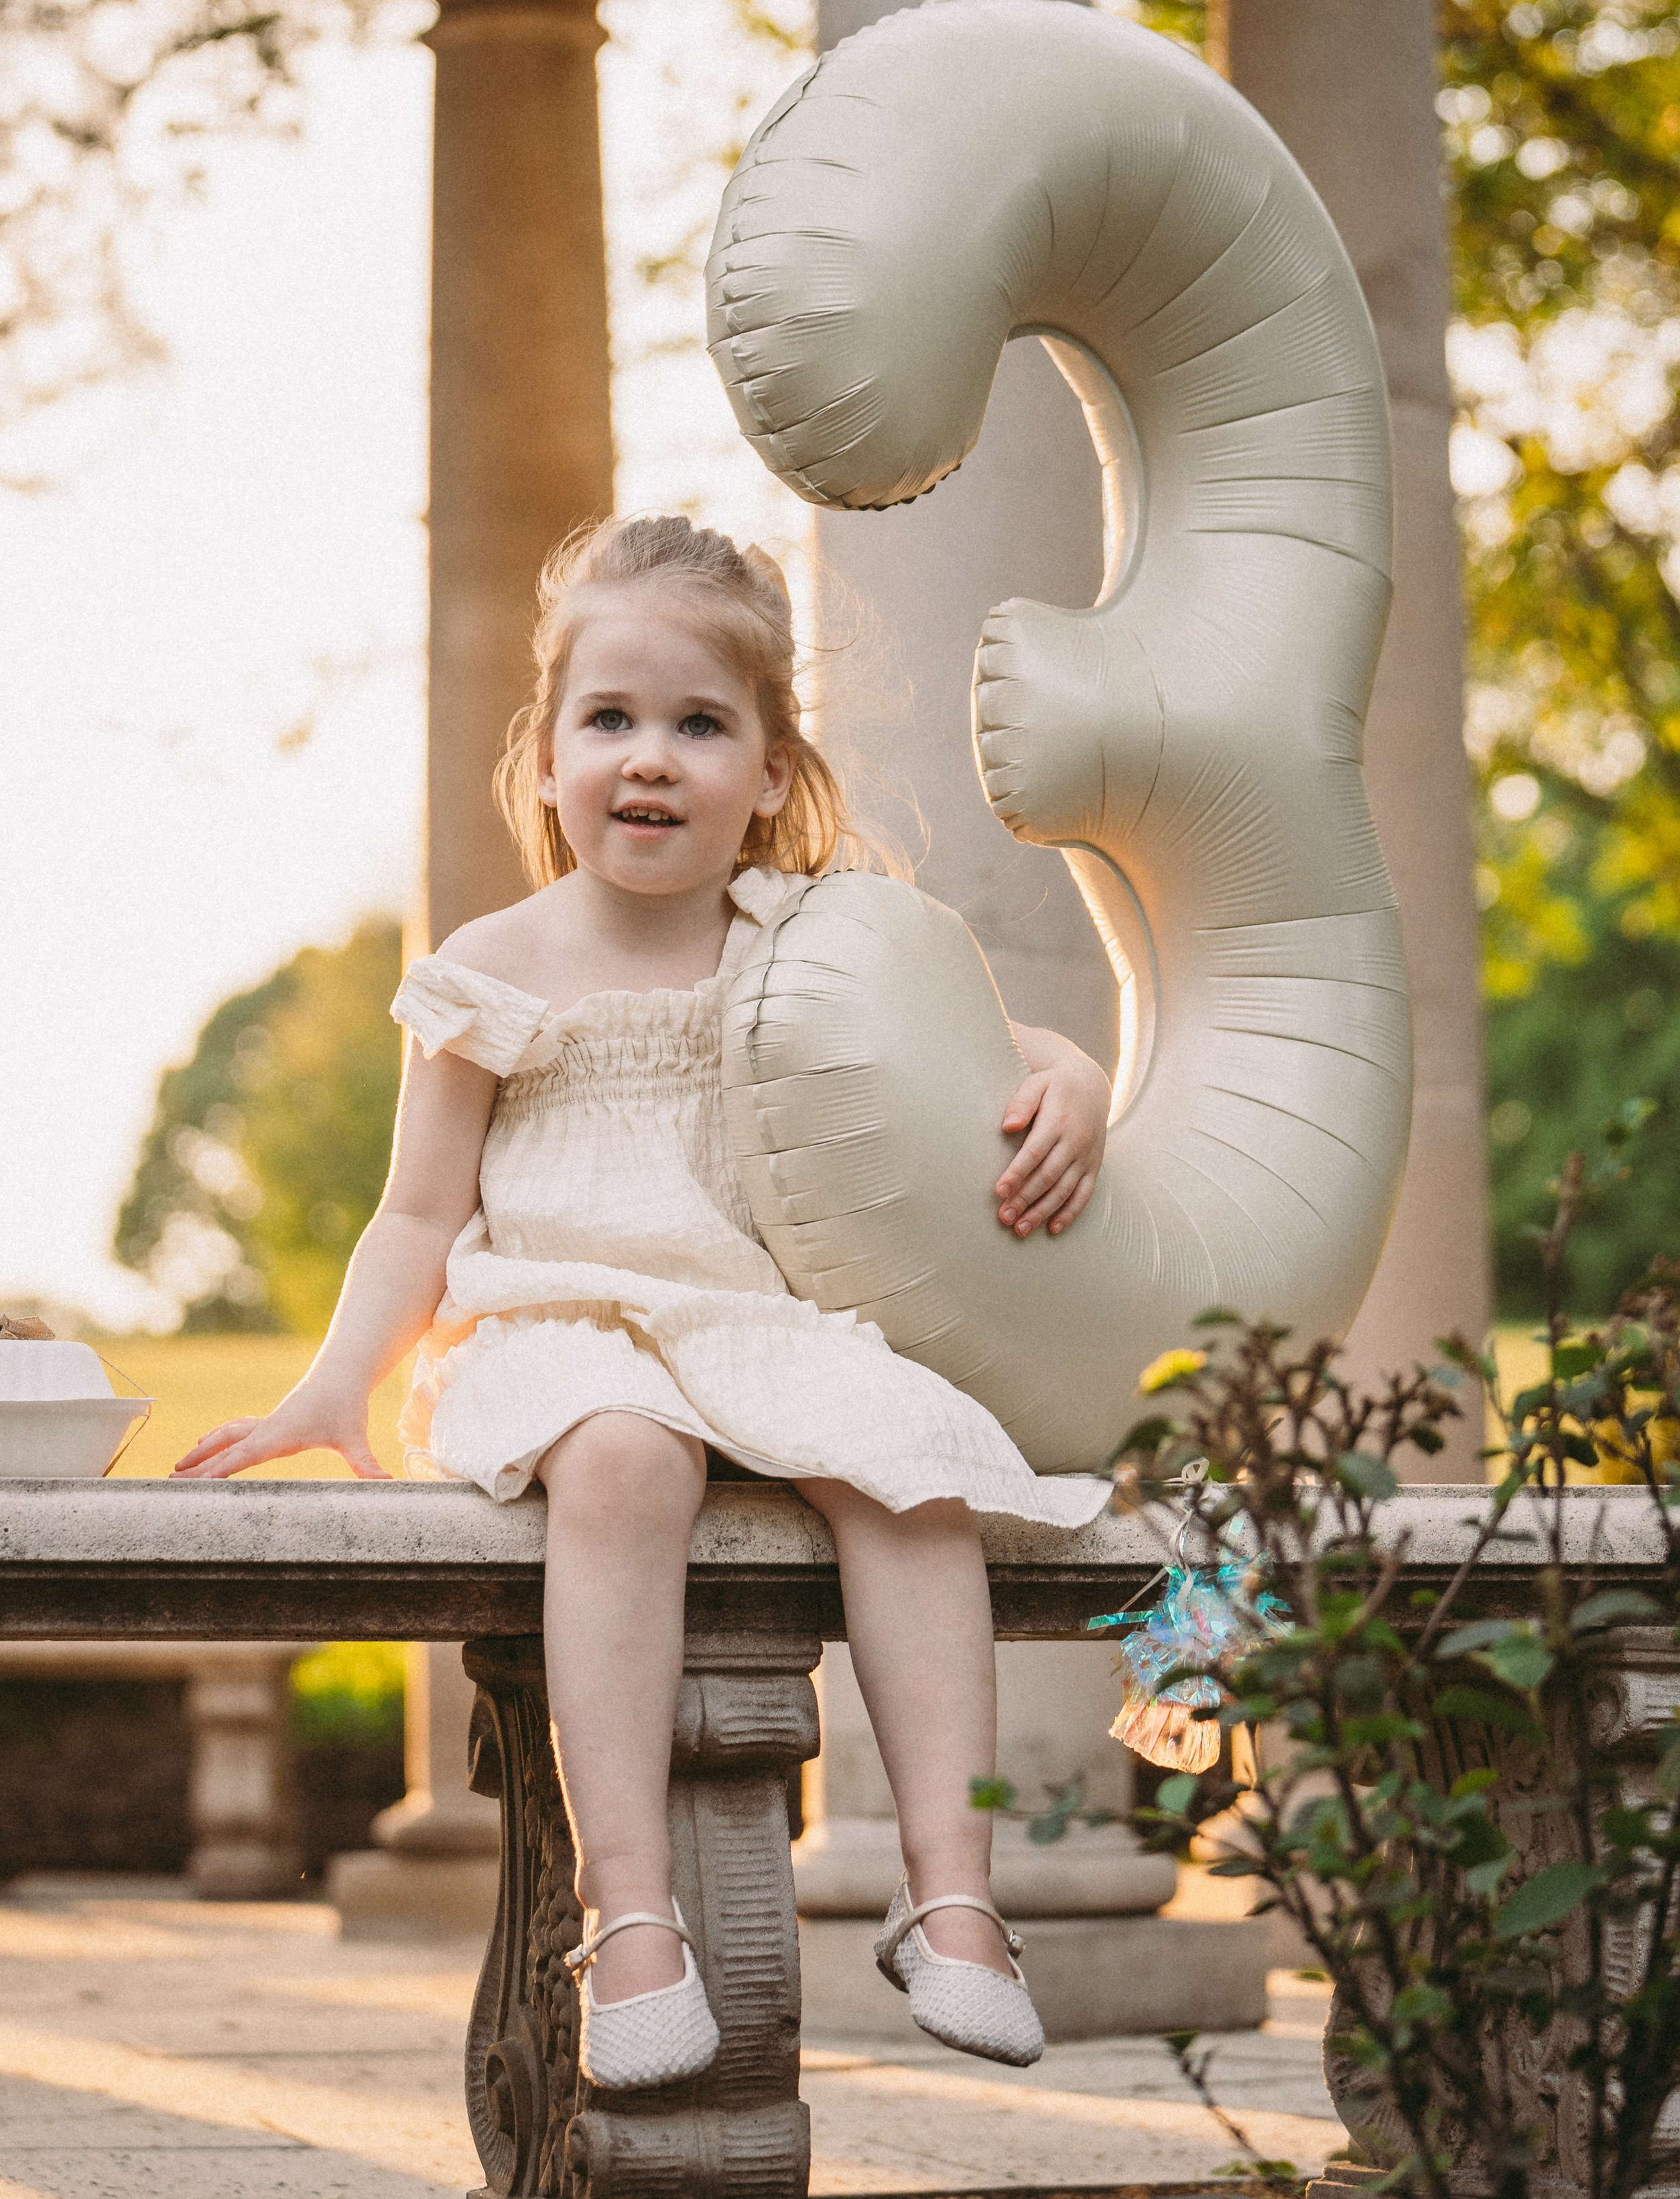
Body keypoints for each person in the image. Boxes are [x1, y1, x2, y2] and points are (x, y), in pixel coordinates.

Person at [176, 515, 1114, 2086]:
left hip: (750, 1331)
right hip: (558, 1331)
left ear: (767, 769)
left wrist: (1073, 1075)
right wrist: (338, 1382)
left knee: (908, 1467)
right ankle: (630, 1922)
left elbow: (995, 1049)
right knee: (622, 1458)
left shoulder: (806, 948)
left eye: (700, 724)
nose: (651, 758)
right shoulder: (493, 966)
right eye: (608, 720)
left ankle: (949, 1893)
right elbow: (418, 1211)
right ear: (543, 760)